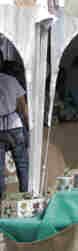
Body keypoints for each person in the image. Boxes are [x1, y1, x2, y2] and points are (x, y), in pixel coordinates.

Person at [0, 53, 29, 199]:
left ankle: (2, 204)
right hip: (14, 126)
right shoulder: (12, 80)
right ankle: (26, 198)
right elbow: (23, 107)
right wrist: (28, 125)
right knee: (22, 166)